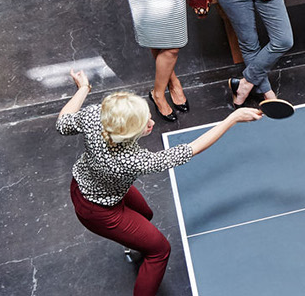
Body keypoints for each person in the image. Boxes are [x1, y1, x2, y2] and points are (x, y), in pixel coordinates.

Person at [58, 70, 261, 296]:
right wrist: (232, 118)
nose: (152, 122)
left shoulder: (97, 115)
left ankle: (132, 243)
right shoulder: (136, 160)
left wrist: (84, 87)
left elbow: (62, 123)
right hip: (99, 211)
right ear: (127, 135)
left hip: (88, 184)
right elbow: (191, 149)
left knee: (146, 214)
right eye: (144, 124)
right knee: (159, 250)